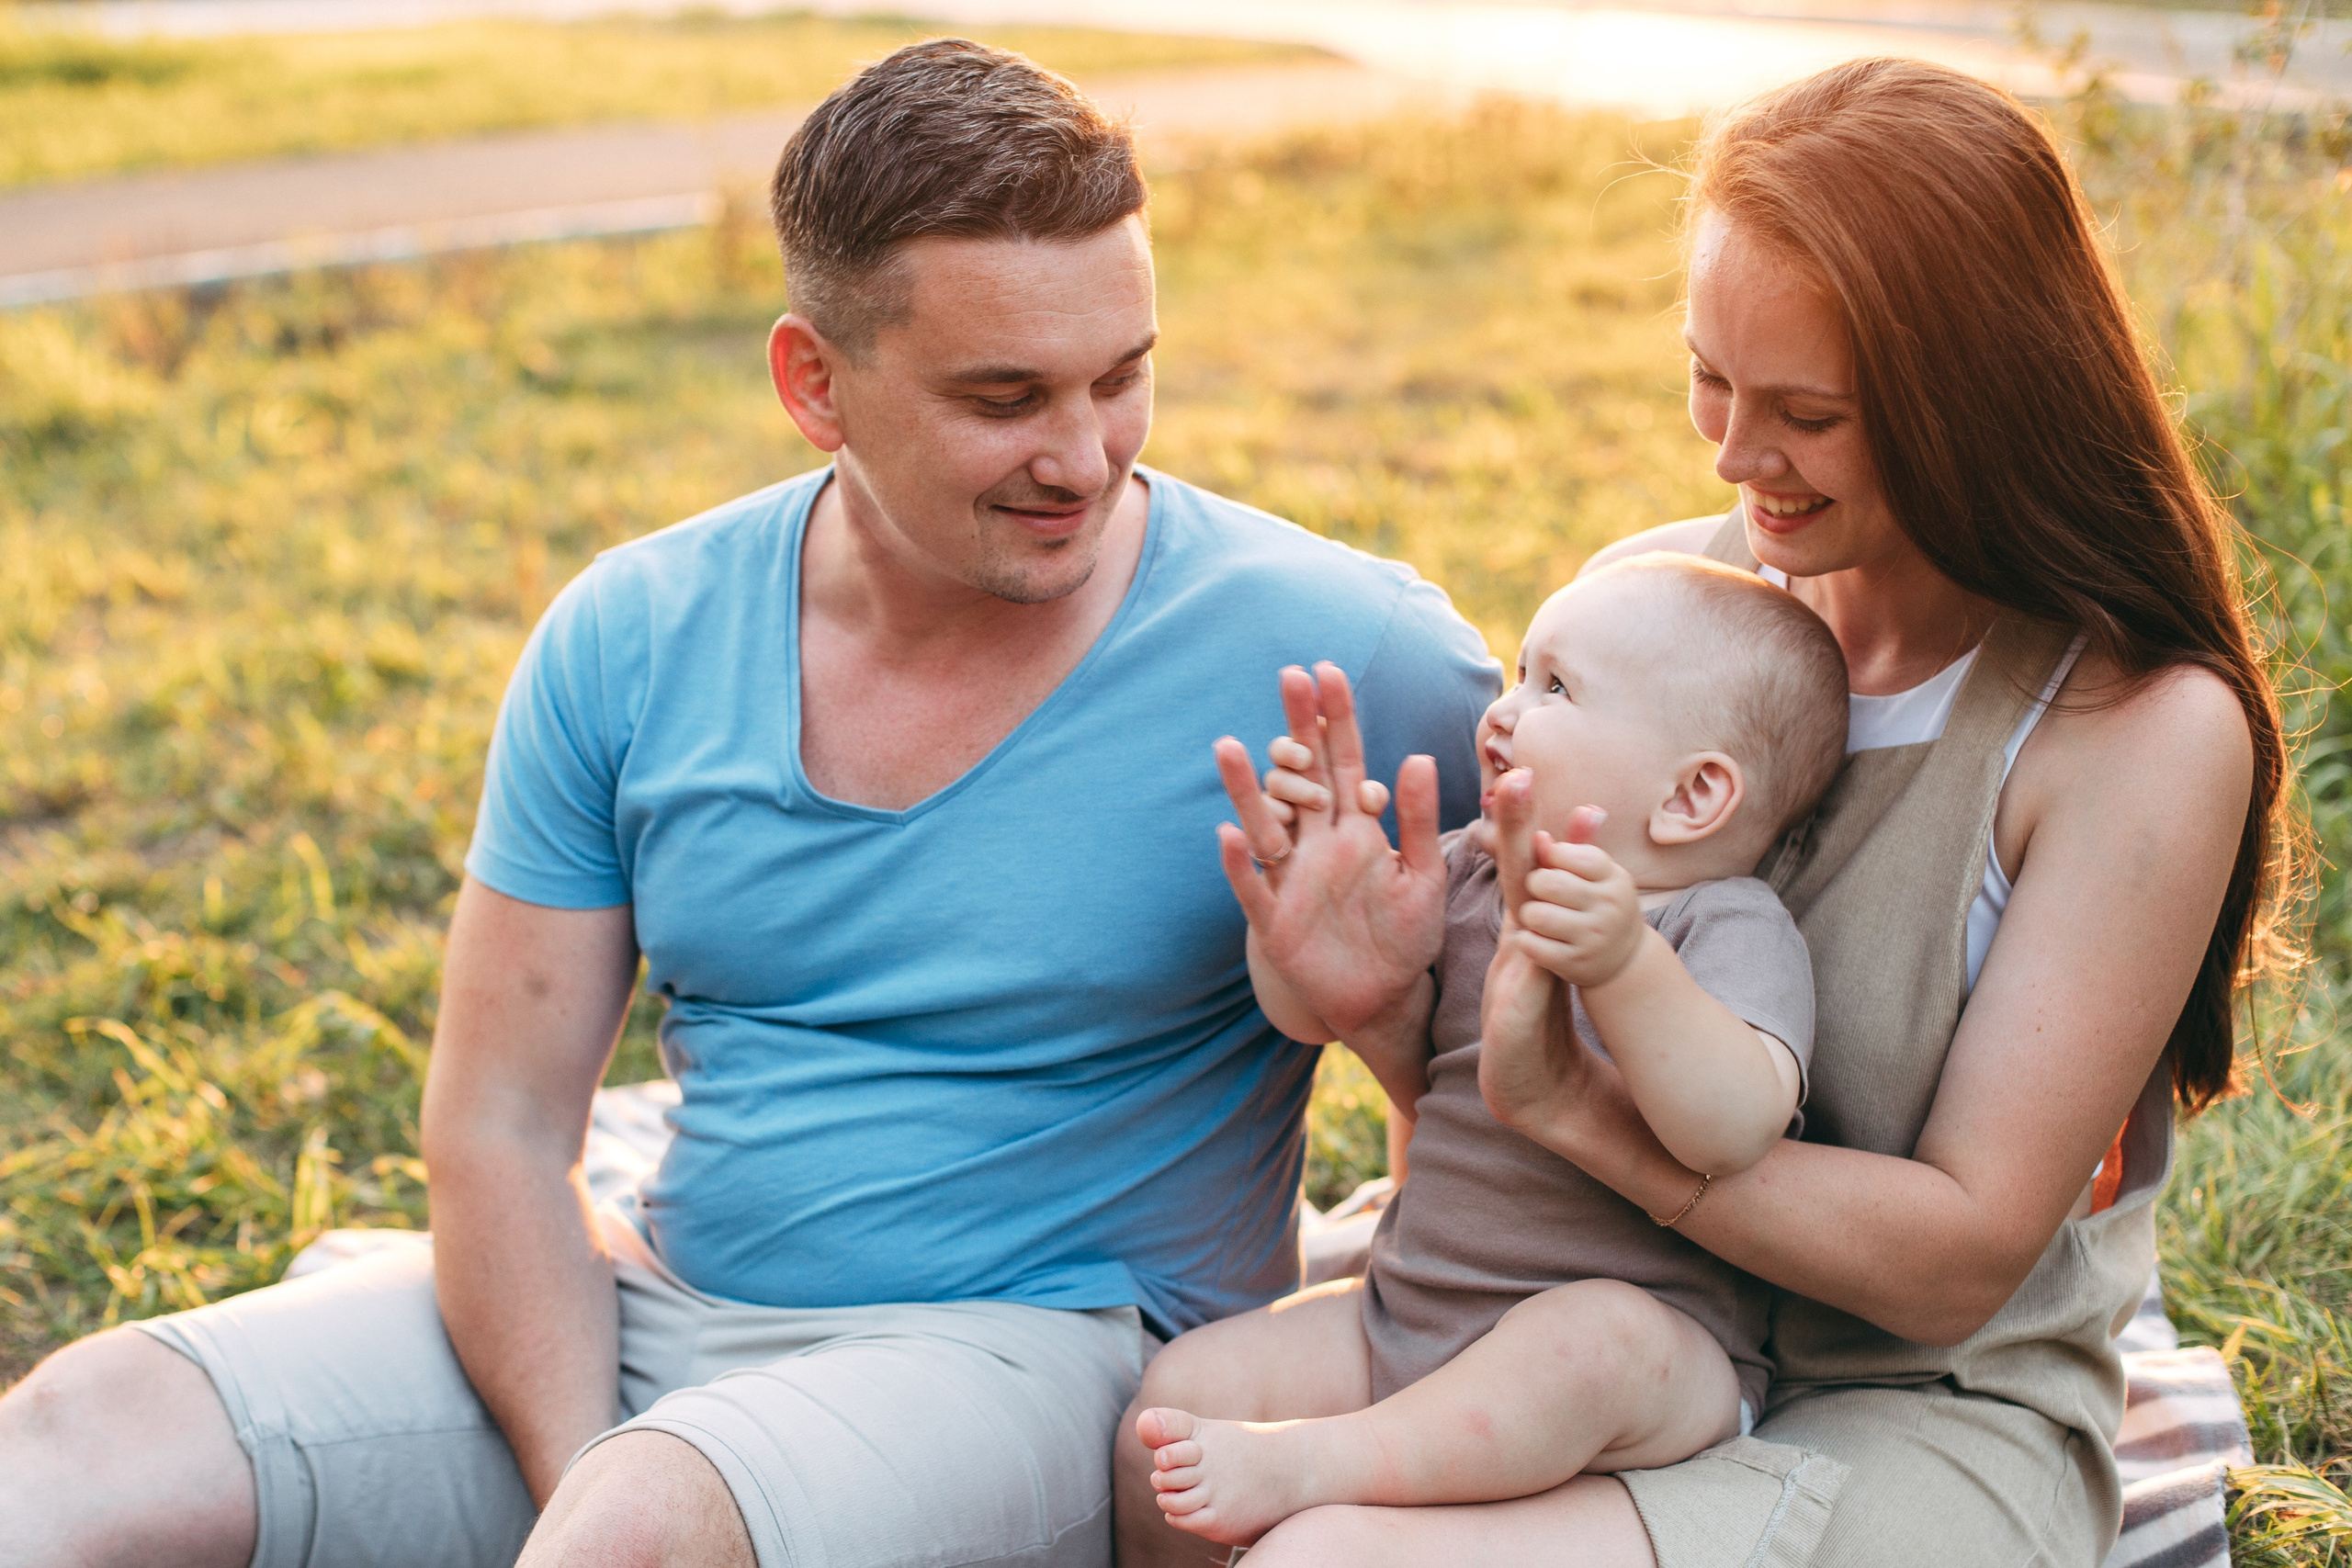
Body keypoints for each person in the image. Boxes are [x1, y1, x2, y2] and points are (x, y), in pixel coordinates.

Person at [0, 39, 1498, 1568]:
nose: (1085, 455)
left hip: (1036, 1352)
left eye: (1123, 376)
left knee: (648, 1521)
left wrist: (1371, 1018)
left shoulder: (1356, 656)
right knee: (77, 1436)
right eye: (1005, 396)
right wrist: (585, 1461)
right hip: (653, 1314)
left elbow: (1547, 1131)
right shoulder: (635, 632)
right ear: (814, 383)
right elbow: (504, 1118)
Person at [1113, 56, 2290, 1568]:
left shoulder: (2129, 725)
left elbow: (1953, 1270)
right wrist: (1382, 1011)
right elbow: (1491, 1121)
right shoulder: (1671, 610)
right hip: (1571, 1326)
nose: (1734, 457)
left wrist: (1593, 1124)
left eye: (1806, 411)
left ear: (1977, 402)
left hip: (1916, 1407)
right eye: (1710, 378)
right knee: (1161, 1464)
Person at [1129, 557, 1849, 1548]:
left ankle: (1319, 1465)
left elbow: (1732, 1129)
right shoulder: (1474, 871)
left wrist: (1623, 966)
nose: (1504, 712)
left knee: (1591, 1340)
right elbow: (1309, 1015)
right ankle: (1315, 1465)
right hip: (1416, 1308)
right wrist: (1301, 906)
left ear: (1693, 796)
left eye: (1555, 687)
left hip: (1651, 1367)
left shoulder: (1723, 924)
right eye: (1517, 674)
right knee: (1177, 1398)